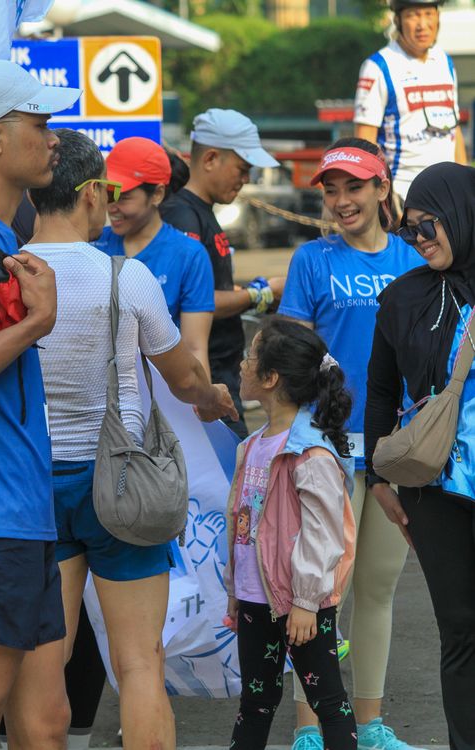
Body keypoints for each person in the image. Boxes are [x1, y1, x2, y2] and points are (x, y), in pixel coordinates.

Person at [24, 127, 238, 750]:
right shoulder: (126, 277)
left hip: (33, 485)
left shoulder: (13, 272)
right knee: (140, 660)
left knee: (45, 661)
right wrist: (213, 400)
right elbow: (184, 377)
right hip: (122, 485)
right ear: (92, 192)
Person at [278, 138, 425, 750]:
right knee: (316, 593)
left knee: (377, 591)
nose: (342, 200)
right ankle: (310, 727)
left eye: (355, 187)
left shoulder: (414, 260)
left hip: (395, 451)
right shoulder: (312, 260)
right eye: (332, 189)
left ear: (382, 188)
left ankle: (370, 724)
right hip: (326, 450)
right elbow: (291, 355)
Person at [0, 60, 80, 750]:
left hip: (23, 514)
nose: (53, 138)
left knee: (43, 722)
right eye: (39, 124)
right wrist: (36, 323)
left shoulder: (3, 237)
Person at [365, 162, 475, 750]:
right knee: (460, 629)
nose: (419, 239)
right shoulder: (403, 298)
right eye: (409, 230)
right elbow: (381, 391)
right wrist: (379, 480)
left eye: (428, 224)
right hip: (434, 488)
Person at [224, 317, 357, 750]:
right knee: (255, 703)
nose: (242, 364)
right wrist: (235, 589)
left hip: (302, 604)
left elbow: (324, 536)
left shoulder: (309, 453)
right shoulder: (253, 445)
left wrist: (305, 602)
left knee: (328, 701)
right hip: (255, 598)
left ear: (271, 378)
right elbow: (243, 527)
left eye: (250, 356)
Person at [161, 108, 283, 438]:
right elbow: (192, 302)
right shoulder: (183, 216)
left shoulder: (201, 213)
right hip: (206, 378)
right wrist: (261, 293)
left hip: (220, 372)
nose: (246, 179)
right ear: (211, 158)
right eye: (242, 169)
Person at [95, 136, 215, 376]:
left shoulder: (189, 256)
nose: (112, 207)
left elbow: (194, 347)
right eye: (108, 194)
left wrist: (203, 397)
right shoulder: (94, 244)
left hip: (162, 389)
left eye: (123, 197)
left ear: (157, 194)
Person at [353, 0, 467, 202]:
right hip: (402, 196)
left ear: (438, 17)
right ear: (397, 20)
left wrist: (465, 185)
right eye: (413, 15)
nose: (422, 24)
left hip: (447, 195)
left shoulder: (445, 61)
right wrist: (382, 200)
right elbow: (365, 142)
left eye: (428, 14)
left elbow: (454, 130)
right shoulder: (378, 67)